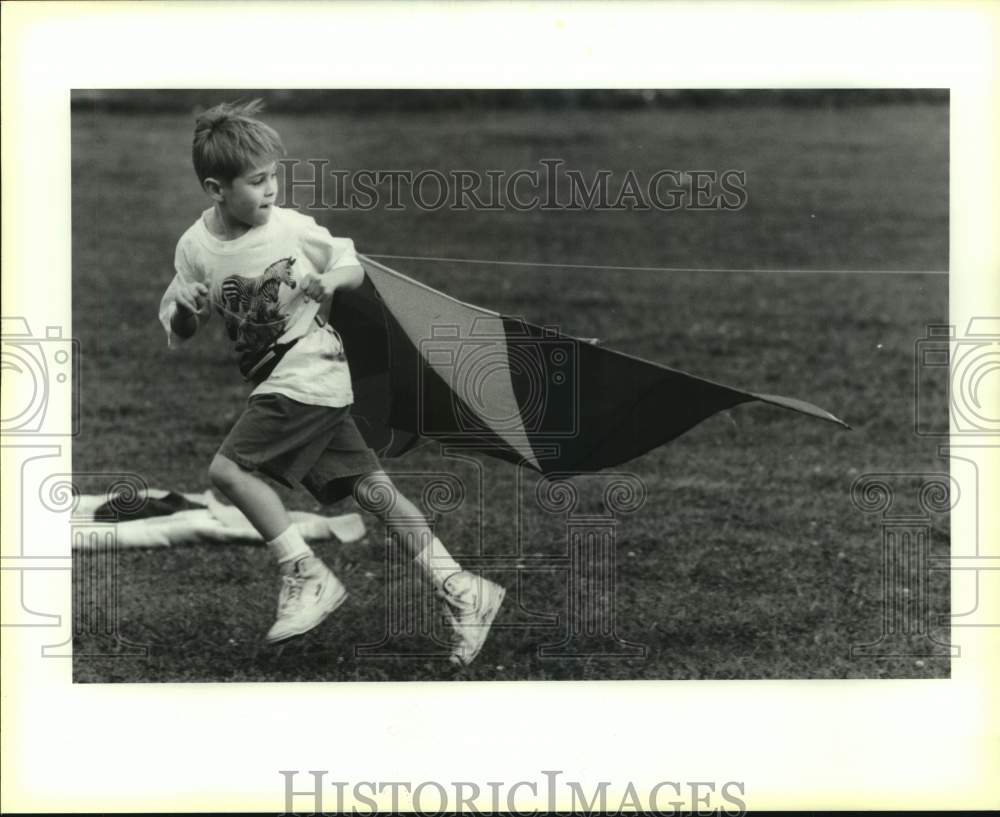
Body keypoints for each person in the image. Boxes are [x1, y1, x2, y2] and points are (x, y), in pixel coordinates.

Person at [157, 99, 505, 666]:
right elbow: (180, 324)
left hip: (310, 372)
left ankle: (305, 573)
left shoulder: (291, 228)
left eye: (274, 177)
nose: (271, 190)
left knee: (228, 471)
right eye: (257, 182)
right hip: (291, 384)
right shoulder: (194, 247)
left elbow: (352, 262)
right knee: (376, 492)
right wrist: (188, 309)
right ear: (216, 190)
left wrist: (331, 281)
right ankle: (465, 590)